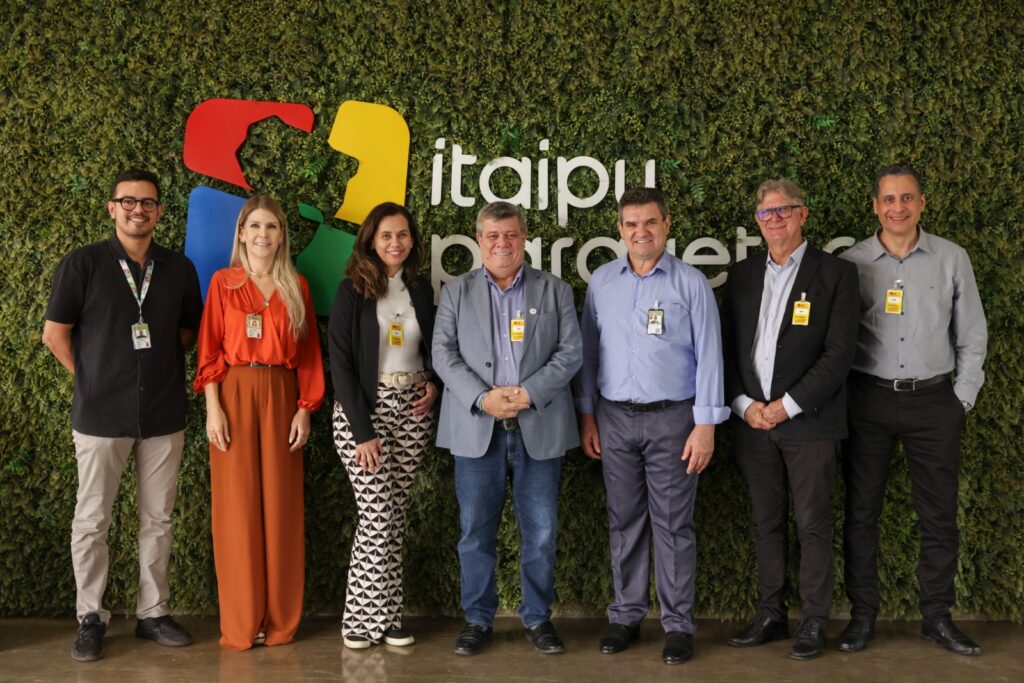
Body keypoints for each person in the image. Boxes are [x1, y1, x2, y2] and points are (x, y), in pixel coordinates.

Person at [42, 169, 202, 662]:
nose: (139, 210)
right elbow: (55, 334)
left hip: (162, 412)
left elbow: (187, 334)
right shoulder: (83, 263)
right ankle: (91, 616)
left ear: (159, 211)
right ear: (112, 208)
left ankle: (152, 613)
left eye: (148, 203)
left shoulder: (179, 269)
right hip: (99, 417)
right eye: (128, 201)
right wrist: (92, 378)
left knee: (158, 519)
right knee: (92, 520)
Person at [838, 164, 987, 655]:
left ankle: (937, 617)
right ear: (875, 206)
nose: (897, 207)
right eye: (888, 199)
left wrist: (960, 400)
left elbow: (972, 336)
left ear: (923, 203)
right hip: (869, 400)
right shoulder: (852, 262)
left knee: (939, 516)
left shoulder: (951, 258)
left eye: (907, 198)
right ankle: (862, 618)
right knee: (861, 514)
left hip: (933, 403)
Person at [576, 187, 728, 665]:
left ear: (666, 225)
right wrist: (587, 416)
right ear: (619, 229)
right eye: (630, 224)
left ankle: (678, 625)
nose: (640, 232)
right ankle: (625, 615)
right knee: (624, 521)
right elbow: (588, 354)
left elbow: (710, 357)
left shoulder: (690, 283)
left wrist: (706, 425)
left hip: (674, 419)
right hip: (614, 418)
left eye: (650, 223)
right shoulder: (602, 282)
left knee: (672, 524)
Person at [432, 201, 582, 656]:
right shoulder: (455, 293)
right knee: (475, 532)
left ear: (524, 239)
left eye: (511, 235)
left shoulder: (554, 290)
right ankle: (477, 620)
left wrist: (528, 392)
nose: (502, 243)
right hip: (477, 428)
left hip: (539, 424)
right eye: (493, 236)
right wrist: (483, 397)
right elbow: (442, 354)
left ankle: (538, 619)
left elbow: (570, 352)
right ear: (479, 240)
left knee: (541, 532)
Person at [720, 179, 860, 660]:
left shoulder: (837, 274)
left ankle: (815, 620)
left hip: (809, 424)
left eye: (784, 210)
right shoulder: (740, 275)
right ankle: (771, 614)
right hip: (752, 422)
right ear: (757, 221)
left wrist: (787, 405)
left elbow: (839, 355)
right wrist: (744, 404)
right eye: (766, 213)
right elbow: (728, 351)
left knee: (814, 524)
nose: (775, 219)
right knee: (767, 523)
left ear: (803, 215)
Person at [194, 194, 324, 650]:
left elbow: (308, 355)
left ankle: (281, 622)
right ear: (242, 233)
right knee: (237, 508)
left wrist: (305, 409)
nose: (264, 235)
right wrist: (213, 406)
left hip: (283, 394)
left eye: (272, 226)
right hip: (233, 392)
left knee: (282, 508)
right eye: (256, 226)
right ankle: (242, 623)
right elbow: (208, 348)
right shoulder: (223, 283)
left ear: (282, 234)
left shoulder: (296, 285)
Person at [328, 202, 439, 650]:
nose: (395, 242)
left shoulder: (421, 289)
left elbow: (434, 348)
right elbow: (340, 363)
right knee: (376, 514)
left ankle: (391, 618)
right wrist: (362, 431)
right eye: (386, 235)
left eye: (403, 235)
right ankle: (358, 621)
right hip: (364, 413)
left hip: (413, 410)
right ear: (371, 240)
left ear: (412, 241)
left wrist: (434, 383)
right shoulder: (351, 290)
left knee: (394, 515)